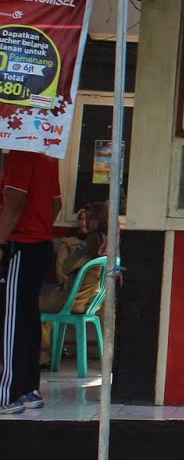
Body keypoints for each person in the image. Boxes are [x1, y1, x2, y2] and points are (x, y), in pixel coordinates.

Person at [0, 148, 63, 412]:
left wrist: (1, 242)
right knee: (27, 316)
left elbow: (16, 202)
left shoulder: (19, 154)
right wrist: (41, 227)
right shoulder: (48, 156)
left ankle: (8, 393)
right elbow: (56, 203)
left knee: (11, 319)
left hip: (20, 244)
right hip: (41, 243)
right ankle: (28, 389)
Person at [39, 202, 108, 367]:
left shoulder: (92, 240)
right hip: (90, 300)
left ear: (99, 219)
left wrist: (77, 253)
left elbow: (67, 266)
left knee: (26, 305)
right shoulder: (107, 240)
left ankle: (41, 354)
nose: (86, 223)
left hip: (73, 299)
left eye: (90, 218)